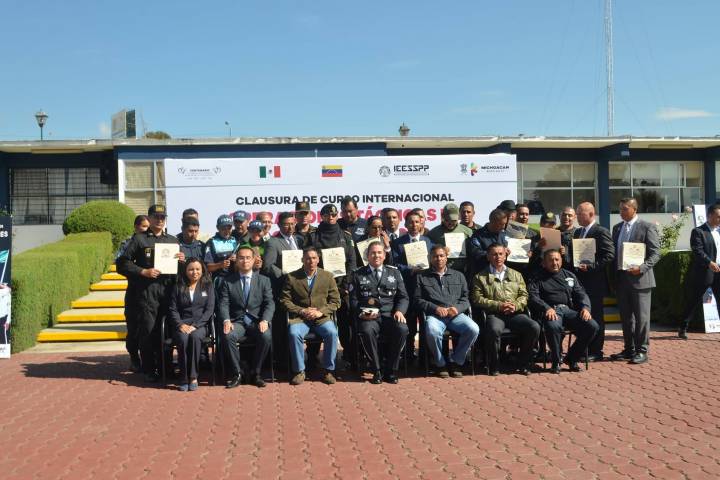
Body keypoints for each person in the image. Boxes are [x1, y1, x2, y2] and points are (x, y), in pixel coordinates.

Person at [117, 204, 182, 382]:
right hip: (147, 292)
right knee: (148, 330)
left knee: (167, 332)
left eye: (162, 217)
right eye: (156, 217)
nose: (160, 220)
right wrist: (142, 271)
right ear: (150, 218)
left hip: (168, 291)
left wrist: (182, 260)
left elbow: (180, 269)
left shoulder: (173, 241)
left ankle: (166, 367)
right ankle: (149, 369)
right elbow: (122, 264)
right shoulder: (139, 239)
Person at [471, 243, 540, 376]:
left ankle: (523, 363)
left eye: (501, 254)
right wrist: (499, 305)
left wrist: (515, 305)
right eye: (494, 254)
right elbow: (477, 299)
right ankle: (494, 365)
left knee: (534, 327)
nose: (498, 257)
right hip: (495, 314)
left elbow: (524, 295)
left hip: (515, 313)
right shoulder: (480, 277)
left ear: (505, 255)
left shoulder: (516, 274)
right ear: (488, 256)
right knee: (493, 329)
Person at [528, 249, 599, 373]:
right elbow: (533, 296)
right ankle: (556, 361)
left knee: (592, 326)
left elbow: (581, 293)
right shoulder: (536, 277)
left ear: (561, 260)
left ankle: (572, 358)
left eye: (557, 259)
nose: (554, 263)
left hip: (568, 311)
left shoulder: (569, 275)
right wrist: (546, 308)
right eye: (550, 260)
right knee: (553, 326)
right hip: (550, 311)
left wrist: (585, 308)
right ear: (544, 263)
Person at [414, 245, 479, 378]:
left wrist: (457, 309)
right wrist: (435, 308)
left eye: (441, 256)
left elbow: (466, 299)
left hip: (455, 315)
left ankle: (456, 361)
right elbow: (417, 300)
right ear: (430, 258)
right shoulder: (421, 276)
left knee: (473, 329)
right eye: (435, 256)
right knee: (432, 331)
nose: (439, 259)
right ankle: (440, 363)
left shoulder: (459, 275)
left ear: (446, 257)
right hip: (435, 315)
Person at [609, 197, 660, 364]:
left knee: (641, 318)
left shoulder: (647, 227)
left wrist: (642, 267)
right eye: (620, 209)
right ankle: (629, 349)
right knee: (626, 318)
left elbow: (655, 253)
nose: (621, 212)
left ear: (634, 209)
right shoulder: (617, 228)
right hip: (621, 279)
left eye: (624, 209)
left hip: (640, 280)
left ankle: (642, 351)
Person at [281, 247, 341, 385]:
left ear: (318, 260)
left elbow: (336, 301)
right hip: (300, 318)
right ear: (302, 260)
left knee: (332, 333)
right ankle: (299, 371)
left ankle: (328, 370)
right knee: (294, 333)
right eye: (308, 258)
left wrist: (321, 312)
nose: (311, 261)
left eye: (314, 258)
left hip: (321, 318)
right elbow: (284, 300)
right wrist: (301, 310)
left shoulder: (328, 276)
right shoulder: (292, 277)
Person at [350, 242, 409, 384]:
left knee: (402, 329)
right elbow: (353, 300)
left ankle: (390, 370)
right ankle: (376, 370)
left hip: (390, 315)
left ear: (384, 255)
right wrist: (362, 313)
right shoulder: (357, 274)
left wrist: (400, 311)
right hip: (369, 317)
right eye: (373, 253)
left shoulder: (394, 272)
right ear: (367, 255)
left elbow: (403, 297)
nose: (376, 255)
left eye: (379, 252)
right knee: (367, 330)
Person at [307, 204, 357, 367]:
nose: (331, 217)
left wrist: (346, 284)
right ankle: (313, 356)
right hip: (319, 286)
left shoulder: (346, 235)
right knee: (316, 319)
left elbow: (352, 262)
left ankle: (348, 354)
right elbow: (309, 260)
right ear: (321, 216)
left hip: (342, 286)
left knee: (345, 321)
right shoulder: (313, 235)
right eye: (327, 215)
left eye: (334, 215)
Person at [218, 246, 275, 388]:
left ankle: (256, 373)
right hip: (237, 322)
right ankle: (238, 373)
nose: (245, 261)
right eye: (241, 258)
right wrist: (226, 320)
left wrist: (265, 320)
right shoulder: (228, 281)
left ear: (254, 259)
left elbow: (270, 303)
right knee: (228, 335)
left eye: (248, 258)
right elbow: (224, 304)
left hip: (257, 321)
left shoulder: (264, 280)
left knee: (266, 336)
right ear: (236, 260)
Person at [571, 202, 614, 360]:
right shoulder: (578, 232)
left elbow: (609, 255)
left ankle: (596, 351)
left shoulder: (600, 231)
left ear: (590, 214)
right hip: (580, 283)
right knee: (582, 316)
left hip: (595, 283)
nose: (577, 217)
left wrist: (591, 266)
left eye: (579, 213)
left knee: (595, 317)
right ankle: (584, 348)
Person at [262, 211, 304, 364]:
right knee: (281, 326)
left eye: (292, 224)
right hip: (282, 288)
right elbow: (268, 266)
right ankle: (282, 360)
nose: (290, 227)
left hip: (300, 290)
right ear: (279, 225)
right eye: (286, 224)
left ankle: (297, 358)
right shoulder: (273, 242)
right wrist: (286, 276)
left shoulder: (299, 240)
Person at [391, 211, 434, 362]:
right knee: (408, 324)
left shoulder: (428, 241)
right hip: (407, 288)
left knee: (425, 324)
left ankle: (424, 358)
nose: (414, 225)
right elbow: (395, 265)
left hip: (425, 290)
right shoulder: (398, 243)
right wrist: (410, 269)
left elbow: (434, 262)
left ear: (421, 223)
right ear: (405, 224)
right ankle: (408, 355)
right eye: (411, 222)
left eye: (417, 222)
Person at [168, 258, 214, 391]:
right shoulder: (178, 286)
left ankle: (193, 376)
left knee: (195, 337)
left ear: (202, 270)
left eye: (197, 269)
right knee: (183, 339)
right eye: (191, 269)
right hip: (182, 324)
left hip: (200, 325)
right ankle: (183, 377)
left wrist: (196, 325)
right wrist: (180, 325)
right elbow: (173, 309)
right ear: (185, 271)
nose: (195, 272)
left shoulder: (208, 286)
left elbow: (209, 310)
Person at [679, 203, 720, 339]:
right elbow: (697, 250)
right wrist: (709, 262)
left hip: (719, 271)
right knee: (694, 300)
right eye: (718, 217)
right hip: (704, 272)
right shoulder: (698, 231)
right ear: (709, 216)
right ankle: (683, 327)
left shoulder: (719, 231)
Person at [116, 214, 149, 372]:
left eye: (148, 227)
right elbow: (121, 265)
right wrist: (140, 271)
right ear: (136, 227)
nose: (146, 230)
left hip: (153, 292)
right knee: (134, 328)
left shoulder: (154, 241)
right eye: (143, 226)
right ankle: (134, 358)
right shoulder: (128, 243)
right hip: (135, 290)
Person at [427, 203, 473, 274]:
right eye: (447, 220)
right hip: (442, 271)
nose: (450, 223)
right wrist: (441, 250)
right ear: (442, 216)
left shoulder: (468, 232)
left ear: (458, 217)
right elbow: (428, 253)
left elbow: (473, 251)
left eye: (454, 220)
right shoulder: (433, 233)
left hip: (464, 271)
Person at [468, 208, 508, 276]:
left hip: (503, 274)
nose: (504, 227)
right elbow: (476, 253)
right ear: (493, 222)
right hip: (484, 274)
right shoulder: (478, 235)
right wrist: (493, 254)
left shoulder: (505, 234)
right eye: (501, 224)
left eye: (505, 223)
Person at [205, 214, 238, 283]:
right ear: (217, 227)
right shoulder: (211, 242)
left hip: (235, 280)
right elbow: (207, 267)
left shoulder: (235, 241)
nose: (227, 231)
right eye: (223, 228)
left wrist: (237, 258)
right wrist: (220, 265)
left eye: (229, 228)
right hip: (219, 280)